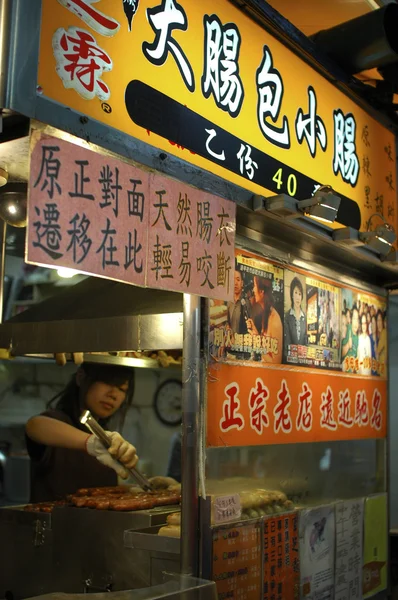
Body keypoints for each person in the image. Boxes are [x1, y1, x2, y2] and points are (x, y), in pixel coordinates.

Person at [25, 362, 138, 502]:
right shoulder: (58, 421)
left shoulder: (107, 437)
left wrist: (143, 488)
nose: (114, 395)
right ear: (80, 377)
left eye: (122, 389)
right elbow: (35, 425)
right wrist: (91, 443)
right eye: (107, 382)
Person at [246, 275, 283, 363]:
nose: (253, 290)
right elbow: (266, 347)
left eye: (255, 286)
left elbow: (276, 363)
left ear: (262, 291)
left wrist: (256, 343)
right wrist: (256, 334)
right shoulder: (266, 313)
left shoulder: (274, 320)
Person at [284, 276, 307, 353]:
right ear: (292, 295)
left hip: (303, 360)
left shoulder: (304, 316)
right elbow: (287, 342)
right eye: (296, 293)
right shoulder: (287, 316)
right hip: (290, 359)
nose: (298, 297)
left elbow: (305, 340)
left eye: (300, 294)